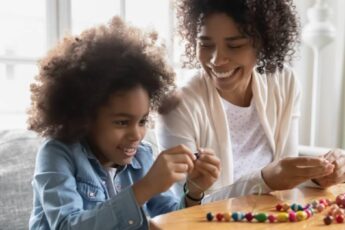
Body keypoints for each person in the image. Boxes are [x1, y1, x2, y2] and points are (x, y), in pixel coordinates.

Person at [28, 17, 220, 230]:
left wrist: (192, 192)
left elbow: (169, 220)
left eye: (143, 121)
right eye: (121, 122)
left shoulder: (142, 156)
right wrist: (144, 189)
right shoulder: (57, 154)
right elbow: (66, 226)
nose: (137, 135)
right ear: (85, 116)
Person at [157, 0, 345, 200]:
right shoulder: (177, 108)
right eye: (205, 44)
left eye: (234, 45)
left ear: (263, 43)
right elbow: (185, 208)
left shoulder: (283, 82)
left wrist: (321, 175)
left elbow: (286, 182)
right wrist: (265, 180)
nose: (216, 60)